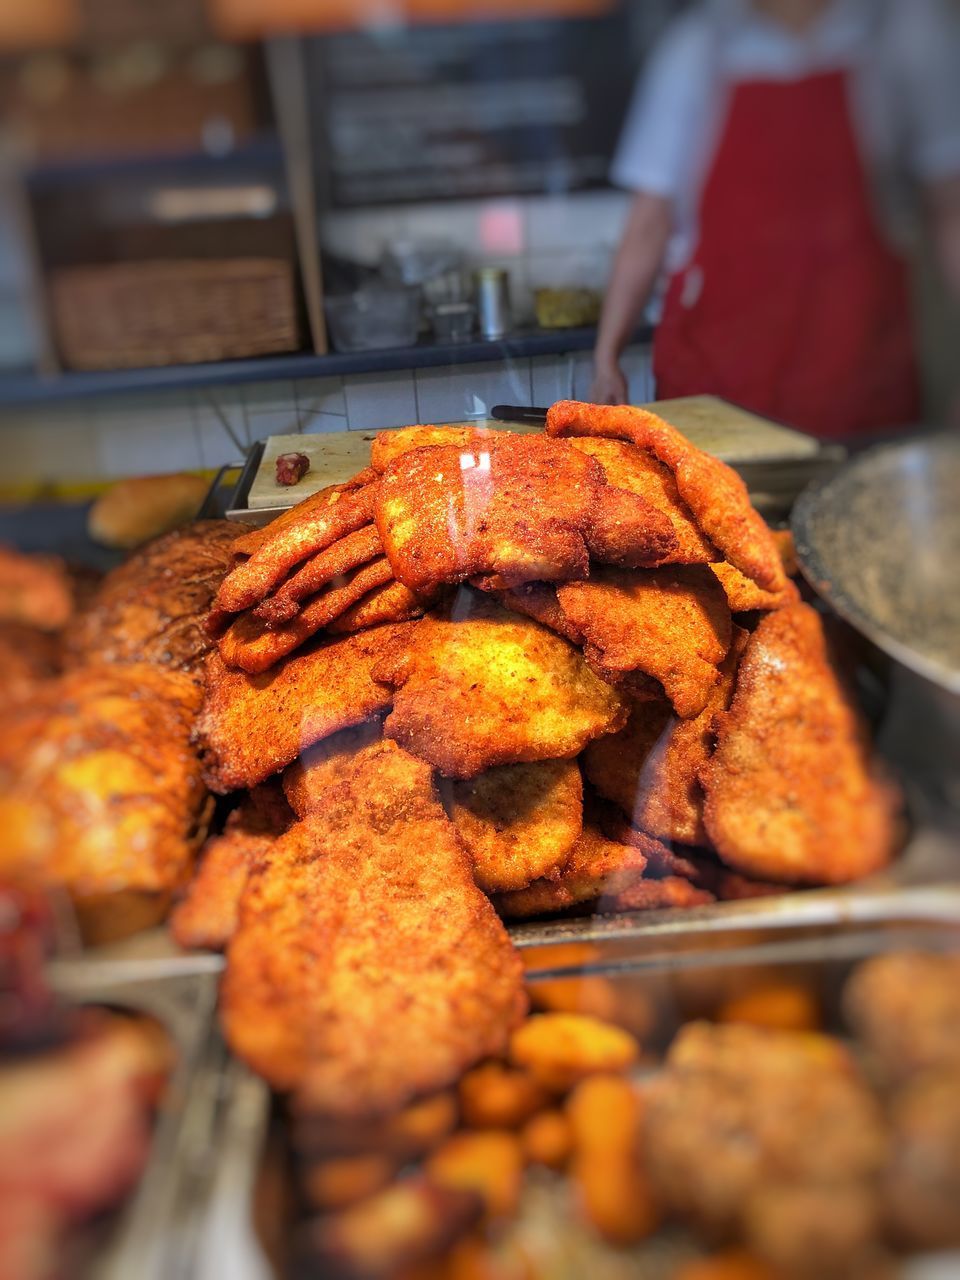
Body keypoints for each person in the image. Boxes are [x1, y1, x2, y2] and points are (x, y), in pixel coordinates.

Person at [591, 0, 960, 438]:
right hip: (718, 382)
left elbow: (950, 212)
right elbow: (648, 224)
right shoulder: (700, 48)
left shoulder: (902, 33)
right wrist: (606, 357)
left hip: (860, 380)